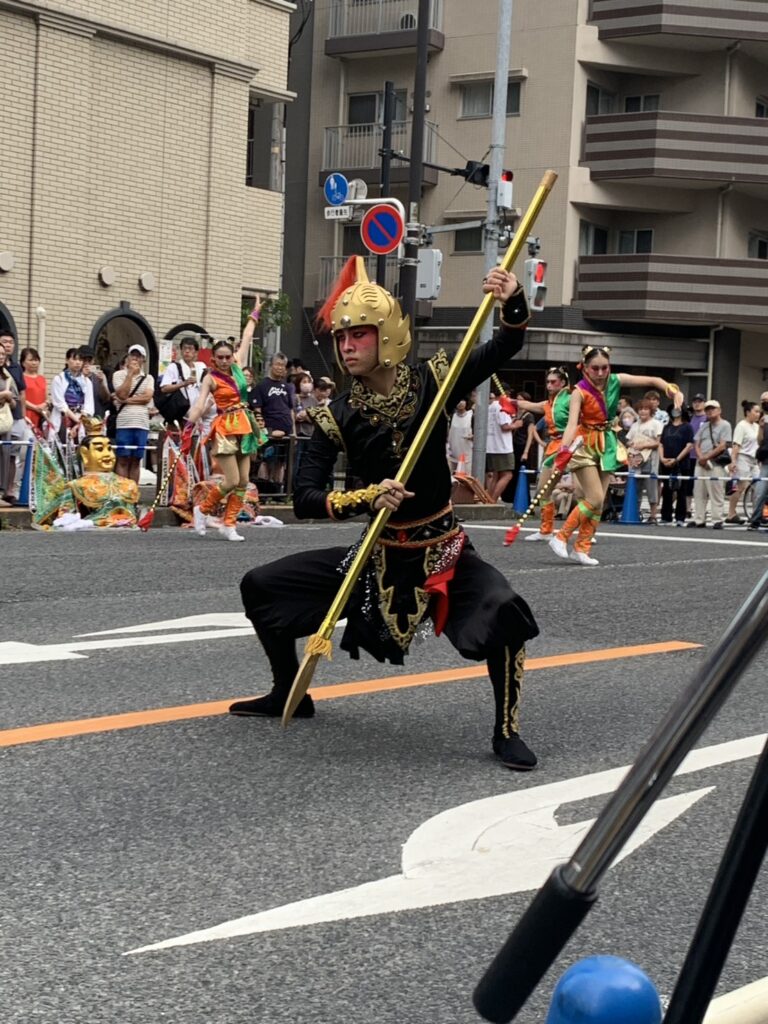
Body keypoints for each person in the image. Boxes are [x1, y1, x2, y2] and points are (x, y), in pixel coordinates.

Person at [232, 258, 540, 771]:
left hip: (442, 550)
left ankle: (506, 730)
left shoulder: (434, 380)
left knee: (504, 608)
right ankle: (288, 691)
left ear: (388, 335)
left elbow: (505, 344)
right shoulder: (335, 415)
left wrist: (512, 298)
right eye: (341, 337)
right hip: (377, 554)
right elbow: (305, 496)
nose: (347, 346)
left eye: (359, 334)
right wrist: (365, 498)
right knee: (262, 585)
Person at [549, 345, 683, 565]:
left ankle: (581, 548)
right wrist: (563, 452)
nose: (601, 373)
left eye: (605, 367)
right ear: (585, 368)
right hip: (584, 444)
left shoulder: (615, 380)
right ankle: (561, 536)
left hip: (607, 442)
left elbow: (653, 380)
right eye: (595, 368)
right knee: (594, 498)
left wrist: (672, 390)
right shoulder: (578, 391)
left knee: (599, 502)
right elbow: (572, 425)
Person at [182, 298, 264, 541]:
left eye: (228, 356)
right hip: (225, 427)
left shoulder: (238, 366)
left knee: (244, 481)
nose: (226, 360)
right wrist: (188, 426)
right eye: (221, 357)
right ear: (214, 359)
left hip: (244, 424)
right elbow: (200, 404)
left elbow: (247, 336)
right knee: (231, 480)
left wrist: (255, 314)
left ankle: (229, 524)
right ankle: (203, 509)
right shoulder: (211, 379)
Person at [514, 366, 571, 542]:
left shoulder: (572, 399)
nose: (549, 385)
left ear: (563, 383)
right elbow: (529, 405)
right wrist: (508, 401)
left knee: (585, 493)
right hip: (554, 447)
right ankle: (546, 530)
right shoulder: (549, 404)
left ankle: (587, 532)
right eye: (547, 382)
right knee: (542, 489)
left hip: (574, 446)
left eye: (553, 382)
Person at [111, 344, 154, 484]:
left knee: (136, 460)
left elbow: (147, 397)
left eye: (138, 356)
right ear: (127, 357)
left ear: (143, 360)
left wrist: (127, 400)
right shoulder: (118, 375)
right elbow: (122, 393)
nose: (135, 358)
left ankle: (134, 491)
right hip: (124, 422)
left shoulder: (148, 378)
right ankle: (122, 492)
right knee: (122, 458)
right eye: (132, 355)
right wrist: (130, 374)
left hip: (141, 423)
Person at [687, 399, 731, 530]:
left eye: (713, 408)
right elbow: (696, 443)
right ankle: (699, 519)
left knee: (716, 492)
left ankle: (717, 519)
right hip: (701, 462)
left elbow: (722, 445)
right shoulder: (704, 425)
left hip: (715, 462)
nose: (710, 411)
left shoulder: (725, 425)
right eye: (708, 409)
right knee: (698, 492)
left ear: (719, 410)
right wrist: (701, 457)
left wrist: (706, 457)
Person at [0, 330, 29, 504]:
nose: (1, 356)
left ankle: (6, 490)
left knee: (8, 455)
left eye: (3, 354)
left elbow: (17, 398)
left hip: (8, 420)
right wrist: (3, 395)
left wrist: (9, 399)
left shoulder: (10, 372)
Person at [625, 399, 662, 523]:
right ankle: (635, 513)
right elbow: (628, 440)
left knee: (651, 486)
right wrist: (632, 444)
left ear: (651, 411)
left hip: (650, 458)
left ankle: (653, 515)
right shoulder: (635, 425)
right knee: (636, 486)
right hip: (635, 458)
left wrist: (644, 445)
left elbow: (657, 443)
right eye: (640, 409)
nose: (643, 411)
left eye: (646, 409)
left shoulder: (656, 424)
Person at [726, 400, 761, 525]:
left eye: (759, 412)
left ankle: (758, 513)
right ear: (748, 412)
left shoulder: (757, 426)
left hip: (754, 460)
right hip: (743, 457)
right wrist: (733, 461)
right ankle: (731, 513)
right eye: (756, 411)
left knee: (759, 486)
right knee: (741, 487)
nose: (758, 414)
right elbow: (736, 445)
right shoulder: (741, 426)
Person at [659, 406, 694, 525]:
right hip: (666, 462)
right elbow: (661, 444)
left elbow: (689, 445)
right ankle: (665, 516)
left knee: (681, 491)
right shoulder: (666, 427)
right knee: (666, 490)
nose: (675, 411)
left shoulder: (687, 427)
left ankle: (680, 517)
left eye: (678, 409)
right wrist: (662, 458)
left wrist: (677, 459)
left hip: (682, 463)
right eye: (673, 409)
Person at [49, 347, 94, 440]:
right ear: (67, 360)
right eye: (74, 359)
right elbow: (59, 403)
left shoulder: (87, 381)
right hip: (63, 419)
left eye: (80, 360)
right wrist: (76, 420)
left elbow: (89, 405)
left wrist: (79, 423)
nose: (78, 363)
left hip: (81, 421)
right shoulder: (59, 379)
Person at [485, 390, 515, 501]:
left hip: (491, 446)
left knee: (496, 475)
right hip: (503, 447)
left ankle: (489, 500)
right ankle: (493, 500)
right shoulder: (502, 407)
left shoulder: (490, 407)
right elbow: (505, 426)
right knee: (507, 475)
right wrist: (516, 424)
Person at [747, 391, 768, 531]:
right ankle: (755, 520)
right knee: (760, 491)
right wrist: (761, 427)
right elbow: (760, 441)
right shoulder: (764, 419)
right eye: (763, 401)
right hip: (766, 460)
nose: (764, 403)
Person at [20, 347, 49, 434]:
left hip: (42, 415)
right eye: (31, 360)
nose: (34, 363)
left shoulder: (42, 378)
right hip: (27, 414)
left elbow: (47, 398)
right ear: (23, 363)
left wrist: (45, 404)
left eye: (36, 360)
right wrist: (35, 407)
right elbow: (20, 397)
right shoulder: (21, 378)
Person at [447, 397, 473, 475]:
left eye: (463, 400)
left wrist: (472, 436)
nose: (460, 403)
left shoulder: (471, 416)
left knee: (466, 476)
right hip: (452, 454)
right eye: (458, 401)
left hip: (467, 454)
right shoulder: (451, 416)